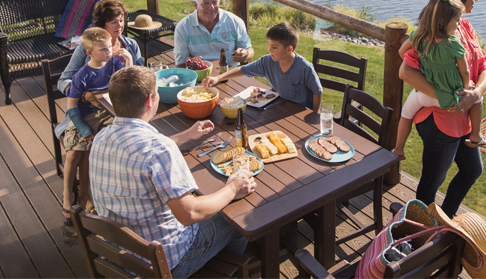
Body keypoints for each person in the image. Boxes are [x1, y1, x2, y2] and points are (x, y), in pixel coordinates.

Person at [90, 66, 256, 278]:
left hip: (119, 253)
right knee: (237, 217)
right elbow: (190, 214)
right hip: (162, 264)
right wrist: (233, 188)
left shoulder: (101, 138)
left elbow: (139, 152)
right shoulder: (159, 149)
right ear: (150, 101)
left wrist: (184, 136)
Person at [393, 0, 486, 218]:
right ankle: (417, 232)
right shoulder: (430, 35)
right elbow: (405, 69)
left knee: (472, 170)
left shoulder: (466, 28)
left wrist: (475, 92)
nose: (476, 0)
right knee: (432, 181)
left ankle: (443, 219)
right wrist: (446, 97)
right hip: (440, 122)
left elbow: (484, 68)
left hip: (464, 118)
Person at [60, 27, 132, 226]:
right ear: (89, 53)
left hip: (106, 112)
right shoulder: (81, 76)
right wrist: (83, 129)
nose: (109, 52)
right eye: (103, 50)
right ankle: (68, 194)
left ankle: (111, 193)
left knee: (116, 143)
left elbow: (129, 83)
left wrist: (128, 61)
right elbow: (71, 106)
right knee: (74, 153)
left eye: (109, 48)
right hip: (83, 115)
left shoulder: (114, 64)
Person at [400, 0, 486, 148]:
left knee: (405, 114)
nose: (459, 24)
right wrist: (467, 87)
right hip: (452, 95)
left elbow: (401, 52)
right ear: (442, 22)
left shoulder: (418, 36)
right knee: (478, 98)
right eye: (457, 20)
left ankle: (398, 148)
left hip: (424, 95)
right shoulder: (453, 43)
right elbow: (465, 71)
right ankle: (476, 134)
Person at [204, 22, 323, 112]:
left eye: (274, 47)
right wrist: (217, 78)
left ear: (289, 49)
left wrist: (314, 114)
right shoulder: (267, 62)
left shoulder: (304, 67)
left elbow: (317, 91)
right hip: (279, 107)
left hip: (299, 113)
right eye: (269, 45)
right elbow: (242, 70)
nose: (269, 50)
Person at [57, 0, 144, 97]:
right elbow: (63, 81)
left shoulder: (132, 45)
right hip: (93, 106)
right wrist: (85, 95)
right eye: (113, 22)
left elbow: (141, 74)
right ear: (102, 25)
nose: (119, 25)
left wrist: (160, 73)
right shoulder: (86, 46)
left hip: (126, 101)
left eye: (121, 20)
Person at [174, 0, 254, 68]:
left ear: (219, 2)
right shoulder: (183, 27)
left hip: (230, 73)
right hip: (201, 74)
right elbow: (180, 63)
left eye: (214, 2)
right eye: (205, 3)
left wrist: (245, 54)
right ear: (196, 4)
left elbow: (249, 50)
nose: (211, 7)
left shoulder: (235, 21)